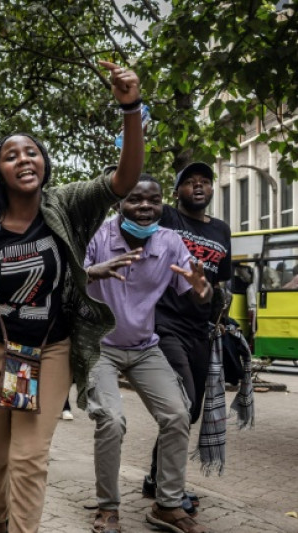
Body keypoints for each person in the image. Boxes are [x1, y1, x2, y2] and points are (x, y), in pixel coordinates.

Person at [0, 61, 144, 533]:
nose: (24, 159)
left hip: (48, 353)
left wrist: (130, 107)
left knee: (30, 456)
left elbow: (124, 181)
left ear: (44, 165)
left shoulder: (66, 206)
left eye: (32, 152)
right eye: (12, 155)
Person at [84, 176, 212, 533]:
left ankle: (167, 505)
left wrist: (203, 291)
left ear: (162, 205)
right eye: (135, 200)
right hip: (100, 347)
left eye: (153, 201)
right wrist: (91, 271)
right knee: (111, 420)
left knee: (177, 414)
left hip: (144, 347)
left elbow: (196, 289)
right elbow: (68, 280)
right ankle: (108, 507)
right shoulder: (98, 235)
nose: (144, 207)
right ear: (119, 204)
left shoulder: (170, 241)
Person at [143, 162, 232, 504]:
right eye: (189, 182)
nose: (198, 187)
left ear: (212, 190)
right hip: (165, 323)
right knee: (183, 402)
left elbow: (221, 281)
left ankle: (155, 477)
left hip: (201, 329)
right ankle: (169, 487)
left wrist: (222, 320)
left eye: (205, 182)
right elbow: (136, 199)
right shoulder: (166, 217)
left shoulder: (222, 230)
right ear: (176, 190)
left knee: (188, 411)